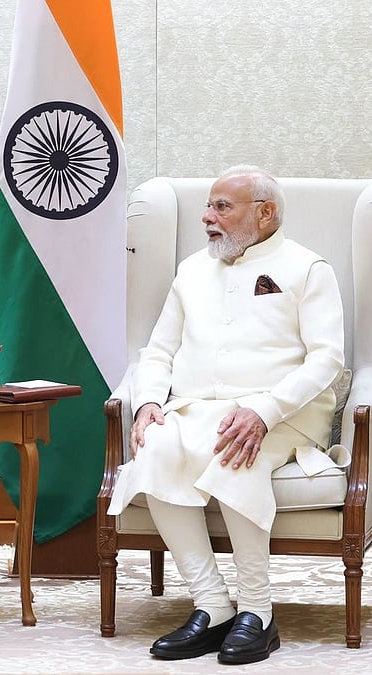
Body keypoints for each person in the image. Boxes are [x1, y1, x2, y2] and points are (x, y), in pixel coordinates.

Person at [106, 165, 344, 664]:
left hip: (283, 413)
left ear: (265, 213)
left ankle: (258, 612)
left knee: (238, 452)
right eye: (208, 207)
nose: (206, 217)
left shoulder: (307, 268)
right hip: (198, 408)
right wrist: (149, 402)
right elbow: (158, 351)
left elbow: (328, 358)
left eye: (221, 207)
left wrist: (262, 410)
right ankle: (212, 606)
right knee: (157, 449)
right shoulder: (192, 270)